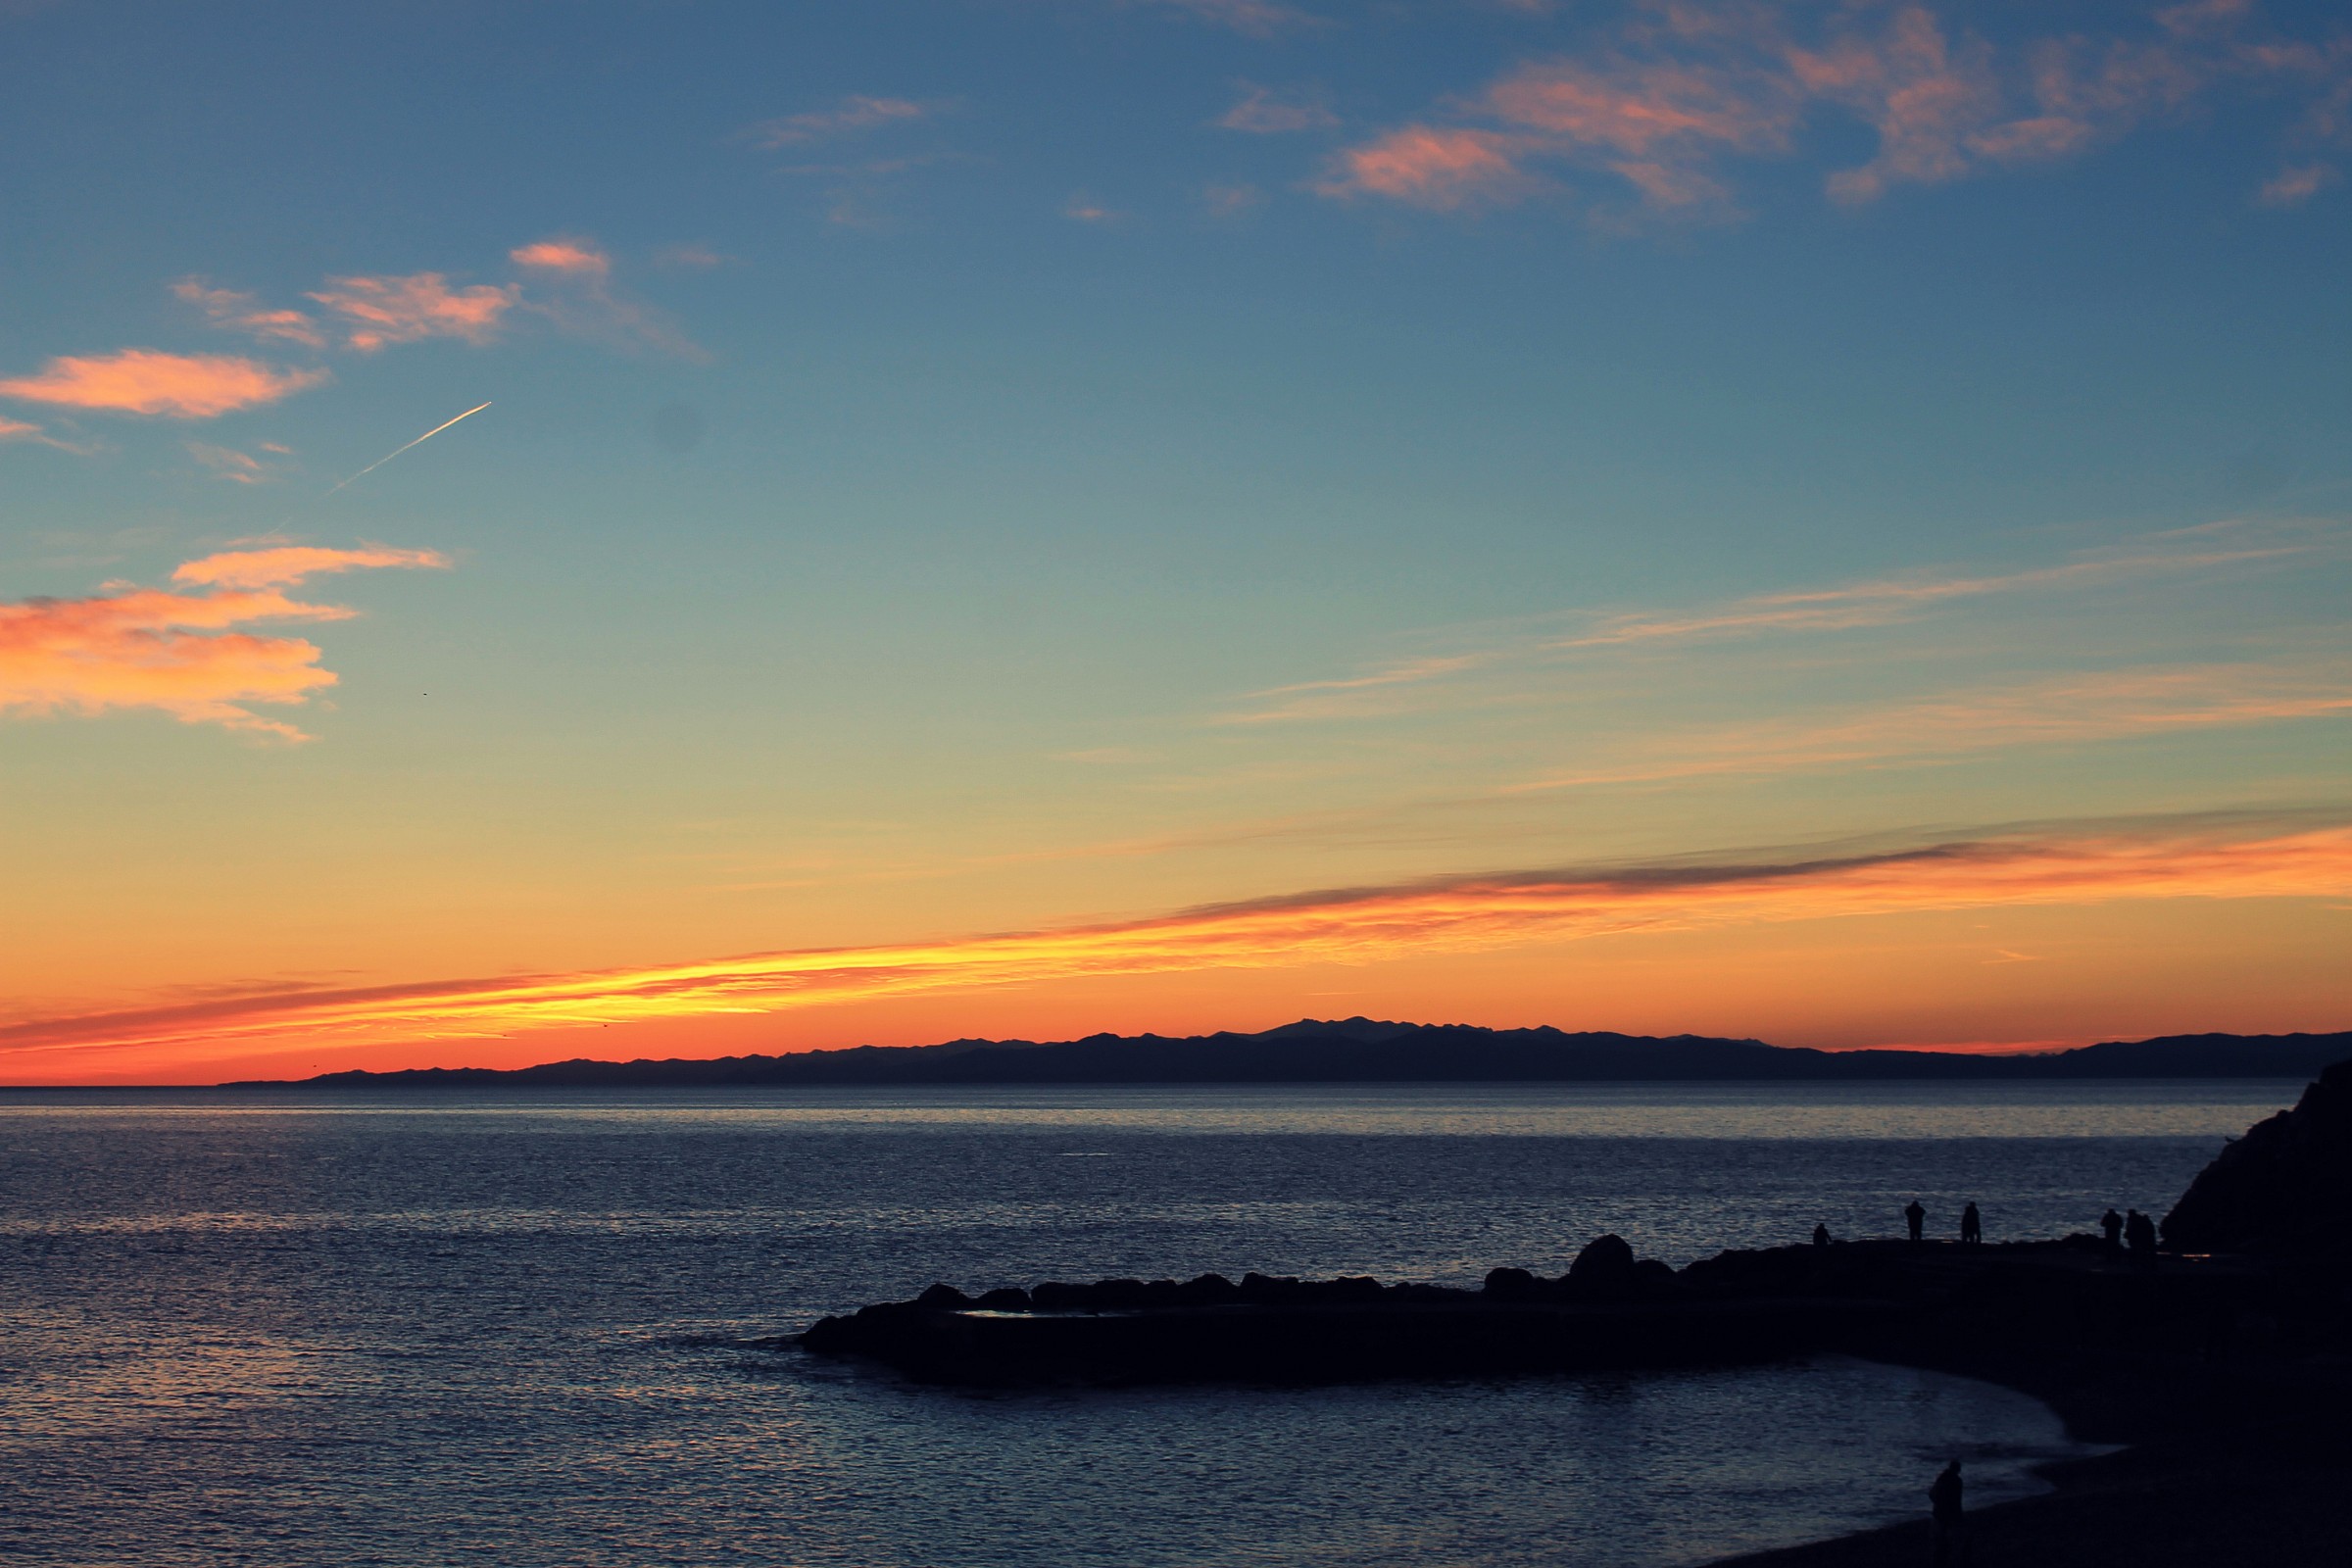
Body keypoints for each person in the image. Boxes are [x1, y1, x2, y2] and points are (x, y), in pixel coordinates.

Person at [1929, 1459, 1967, 1566]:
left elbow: (1931, 1494)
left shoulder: (1941, 1479)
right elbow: (1956, 1501)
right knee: (1952, 1542)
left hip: (1938, 1514)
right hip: (1951, 1515)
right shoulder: (1957, 1481)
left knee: (1938, 1543)